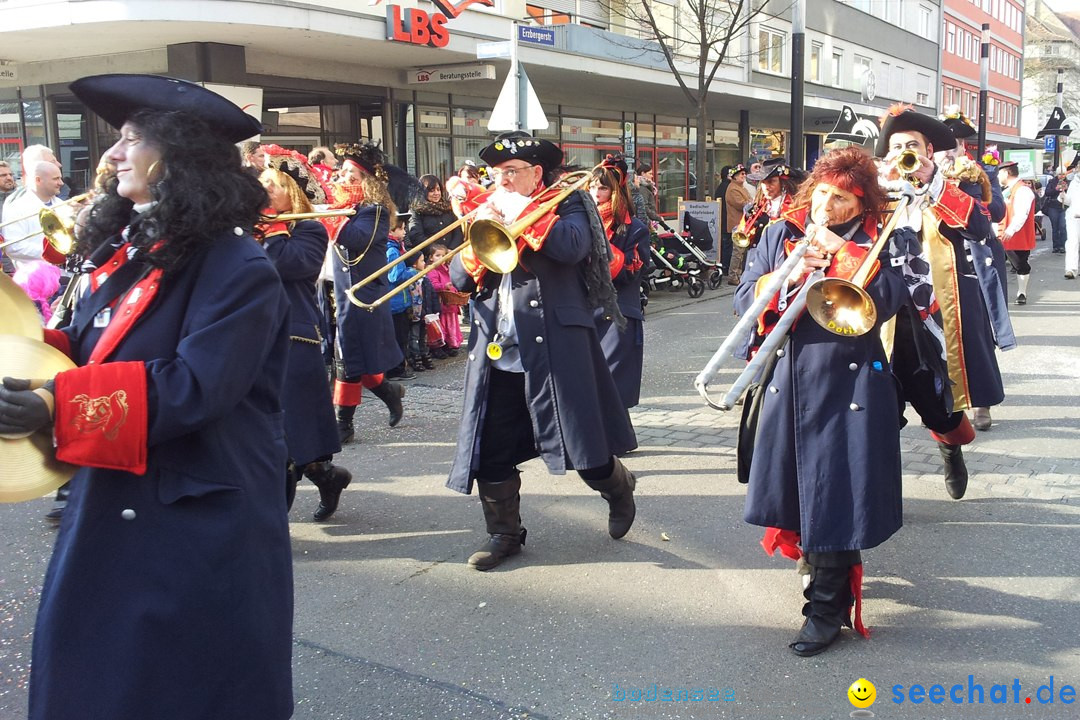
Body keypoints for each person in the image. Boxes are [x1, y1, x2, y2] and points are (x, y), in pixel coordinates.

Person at [0, 73, 293, 719]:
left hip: (194, 511)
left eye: (131, 139)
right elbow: (84, 345)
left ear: (179, 156)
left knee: (179, 686)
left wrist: (58, 403)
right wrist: (17, 358)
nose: (111, 155)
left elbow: (195, 386)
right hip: (120, 491)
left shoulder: (237, 266)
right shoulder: (133, 248)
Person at [735, 147, 908, 657]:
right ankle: (815, 560)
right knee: (799, 485)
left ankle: (825, 609)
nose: (827, 205)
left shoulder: (885, 235)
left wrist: (842, 253)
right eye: (823, 193)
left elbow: (900, 297)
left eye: (841, 198)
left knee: (837, 490)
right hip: (789, 375)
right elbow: (743, 298)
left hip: (853, 381)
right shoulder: (778, 232)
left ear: (860, 203)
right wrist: (784, 277)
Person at [448, 131, 637, 571]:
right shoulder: (488, 210)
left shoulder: (569, 202)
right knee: (491, 447)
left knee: (583, 445)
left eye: (512, 173)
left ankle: (616, 485)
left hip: (556, 341)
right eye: (497, 174)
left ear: (536, 173)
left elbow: (572, 247)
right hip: (499, 347)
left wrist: (521, 213)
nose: (502, 181)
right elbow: (458, 277)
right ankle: (504, 534)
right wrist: (477, 247)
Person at [877, 104, 1009, 497]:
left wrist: (932, 182)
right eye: (897, 146)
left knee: (942, 393)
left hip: (940, 307)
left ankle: (950, 449)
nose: (905, 152)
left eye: (912, 145)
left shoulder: (956, 183)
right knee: (879, 396)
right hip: (888, 312)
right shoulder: (876, 191)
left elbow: (980, 227)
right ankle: (880, 484)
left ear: (928, 150)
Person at [259, 144, 352, 522]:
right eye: (262, 182)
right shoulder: (251, 229)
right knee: (268, 432)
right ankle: (325, 476)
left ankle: (268, 526)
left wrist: (274, 228)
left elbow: (286, 266)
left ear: (292, 192)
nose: (263, 189)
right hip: (250, 337)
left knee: (286, 432)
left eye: (273, 184)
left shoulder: (309, 229)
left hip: (292, 338)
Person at [329, 142, 409, 439]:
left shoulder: (373, 211)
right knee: (352, 357)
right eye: (343, 172)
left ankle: (343, 424)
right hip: (343, 294)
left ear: (367, 181)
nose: (344, 178)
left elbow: (356, 239)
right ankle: (389, 392)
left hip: (365, 296)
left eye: (352, 174)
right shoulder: (347, 209)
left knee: (347, 359)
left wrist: (329, 215)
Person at [589, 154, 650, 409]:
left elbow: (632, 270)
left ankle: (609, 439)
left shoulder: (635, 227)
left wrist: (601, 246)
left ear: (614, 190)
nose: (596, 193)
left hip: (618, 312)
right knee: (589, 381)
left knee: (611, 382)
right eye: (592, 187)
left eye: (602, 187)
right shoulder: (579, 221)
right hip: (586, 308)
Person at [728, 158, 801, 285]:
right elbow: (743, 236)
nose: (766, 187)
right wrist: (748, 222)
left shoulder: (794, 206)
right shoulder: (756, 206)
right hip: (755, 263)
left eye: (772, 182)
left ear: (783, 183)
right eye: (763, 182)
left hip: (780, 263)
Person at [2, 160, 66, 270]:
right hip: (36, 277)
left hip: (67, 273)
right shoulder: (17, 207)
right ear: (38, 180)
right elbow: (13, 247)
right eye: (56, 179)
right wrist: (55, 253)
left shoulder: (62, 205)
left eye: (60, 178)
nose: (61, 183)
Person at [997, 161, 1037, 306]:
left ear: (1006, 173)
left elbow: (1022, 213)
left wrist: (1011, 229)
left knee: (1020, 264)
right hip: (1000, 234)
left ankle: (1022, 292)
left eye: (999, 173)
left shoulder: (1023, 190)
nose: (997, 176)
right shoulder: (1006, 190)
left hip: (1016, 235)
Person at [425, 242, 464, 357]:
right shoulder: (432, 270)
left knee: (451, 325)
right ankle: (440, 346)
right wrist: (444, 286)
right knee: (442, 326)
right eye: (438, 255)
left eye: (443, 255)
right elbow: (433, 285)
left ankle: (450, 344)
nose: (441, 258)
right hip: (441, 303)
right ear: (431, 257)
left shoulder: (447, 268)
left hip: (450, 303)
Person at [408, 173, 464, 250]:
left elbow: (458, 231)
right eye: (431, 190)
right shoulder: (416, 210)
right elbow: (416, 236)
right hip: (430, 257)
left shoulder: (448, 208)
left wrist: (451, 249)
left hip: (451, 254)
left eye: (438, 189)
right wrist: (435, 250)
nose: (436, 193)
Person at [723, 163, 751, 275]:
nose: (744, 176)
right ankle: (733, 275)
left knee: (742, 252)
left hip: (743, 224)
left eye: (744, 174)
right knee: (738, 252)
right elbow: (741, 204)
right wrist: (751, 203)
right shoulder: (733, 189)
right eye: (741, 174)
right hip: (737, 224)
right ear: (734, 176)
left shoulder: (740, 187)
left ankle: (739, 273)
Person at [1065, 158, 1080, 280]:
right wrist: (1062, 194)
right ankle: (1071, 268)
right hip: (1073, 217)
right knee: (1072, 242)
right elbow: (1068, 201)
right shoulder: (1073, 183)